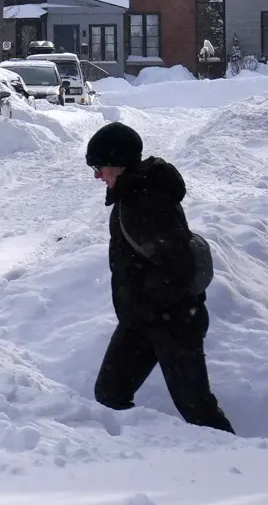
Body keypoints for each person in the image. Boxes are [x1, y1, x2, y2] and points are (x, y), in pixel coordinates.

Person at [85, 122, 235, 434]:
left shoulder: (147, 201)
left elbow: (177, 265)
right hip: (142, 321)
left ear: (119, 163)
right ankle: (141, 458)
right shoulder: (133, 195)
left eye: (99, 167)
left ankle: (241, 469)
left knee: (198, 411)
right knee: (110, 393)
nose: (98, 176)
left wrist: (155, 308)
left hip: (172, 323)